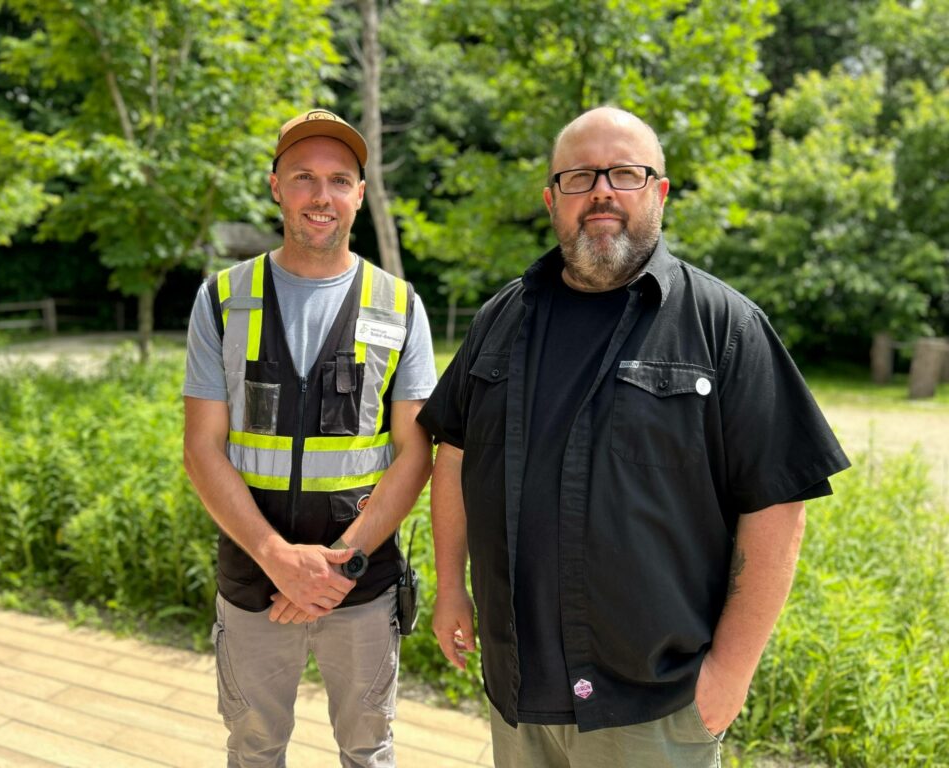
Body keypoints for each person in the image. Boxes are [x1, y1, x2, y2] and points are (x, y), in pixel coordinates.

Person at [416, 105, 850, 768]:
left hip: (655, 705)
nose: (601, 191)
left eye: (624, 172)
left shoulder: (724, 326)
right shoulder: (499, 319)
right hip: (518, 688)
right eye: (579, 176)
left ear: (660, 191)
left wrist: (730, 672)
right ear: (551, 198)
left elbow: (778, 506)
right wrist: (452, 586)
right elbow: (454, 455)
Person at [183, 108, 436, 768]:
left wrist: (341, 564)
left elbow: (416, 452)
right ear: (275, 186)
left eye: (338, 179)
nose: (320, 196)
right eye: (303, 177)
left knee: (368, 751)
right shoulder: (221, 299)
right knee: (254, 749)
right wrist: (276, 559)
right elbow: (202, 447)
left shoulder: (401, 305)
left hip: (362, 581)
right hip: (253, 581)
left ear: (359, 192)